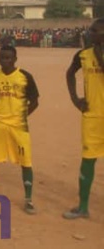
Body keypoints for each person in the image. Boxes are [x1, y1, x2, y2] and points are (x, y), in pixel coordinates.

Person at [0, 45, 39, 215]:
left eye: (8, 58)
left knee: (25, 161)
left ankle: (28, 199)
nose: (5, 61)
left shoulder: (25, 76)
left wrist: (22, 116)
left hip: (18, 125)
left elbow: (34, 101)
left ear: (15, 59)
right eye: (2, 58)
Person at [64, 18, 104, 220]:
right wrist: (75, 99)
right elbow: (70, 73)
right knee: (88, 161)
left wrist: (98, 50)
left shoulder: (94, 53)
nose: (89, 32)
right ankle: (83, 207)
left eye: (94, 30)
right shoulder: (83, 55)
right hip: (92, 117)